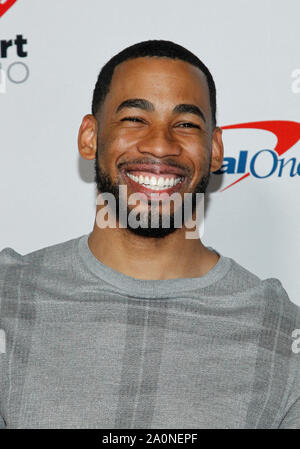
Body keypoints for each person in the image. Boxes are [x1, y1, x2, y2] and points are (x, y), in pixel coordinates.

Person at [0, 40, 299, 429]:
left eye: (186, 124)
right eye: (134, 119)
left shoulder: (279, 333)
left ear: (215, 148)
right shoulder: (10, 298)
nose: (160, 144)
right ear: (90, 137)